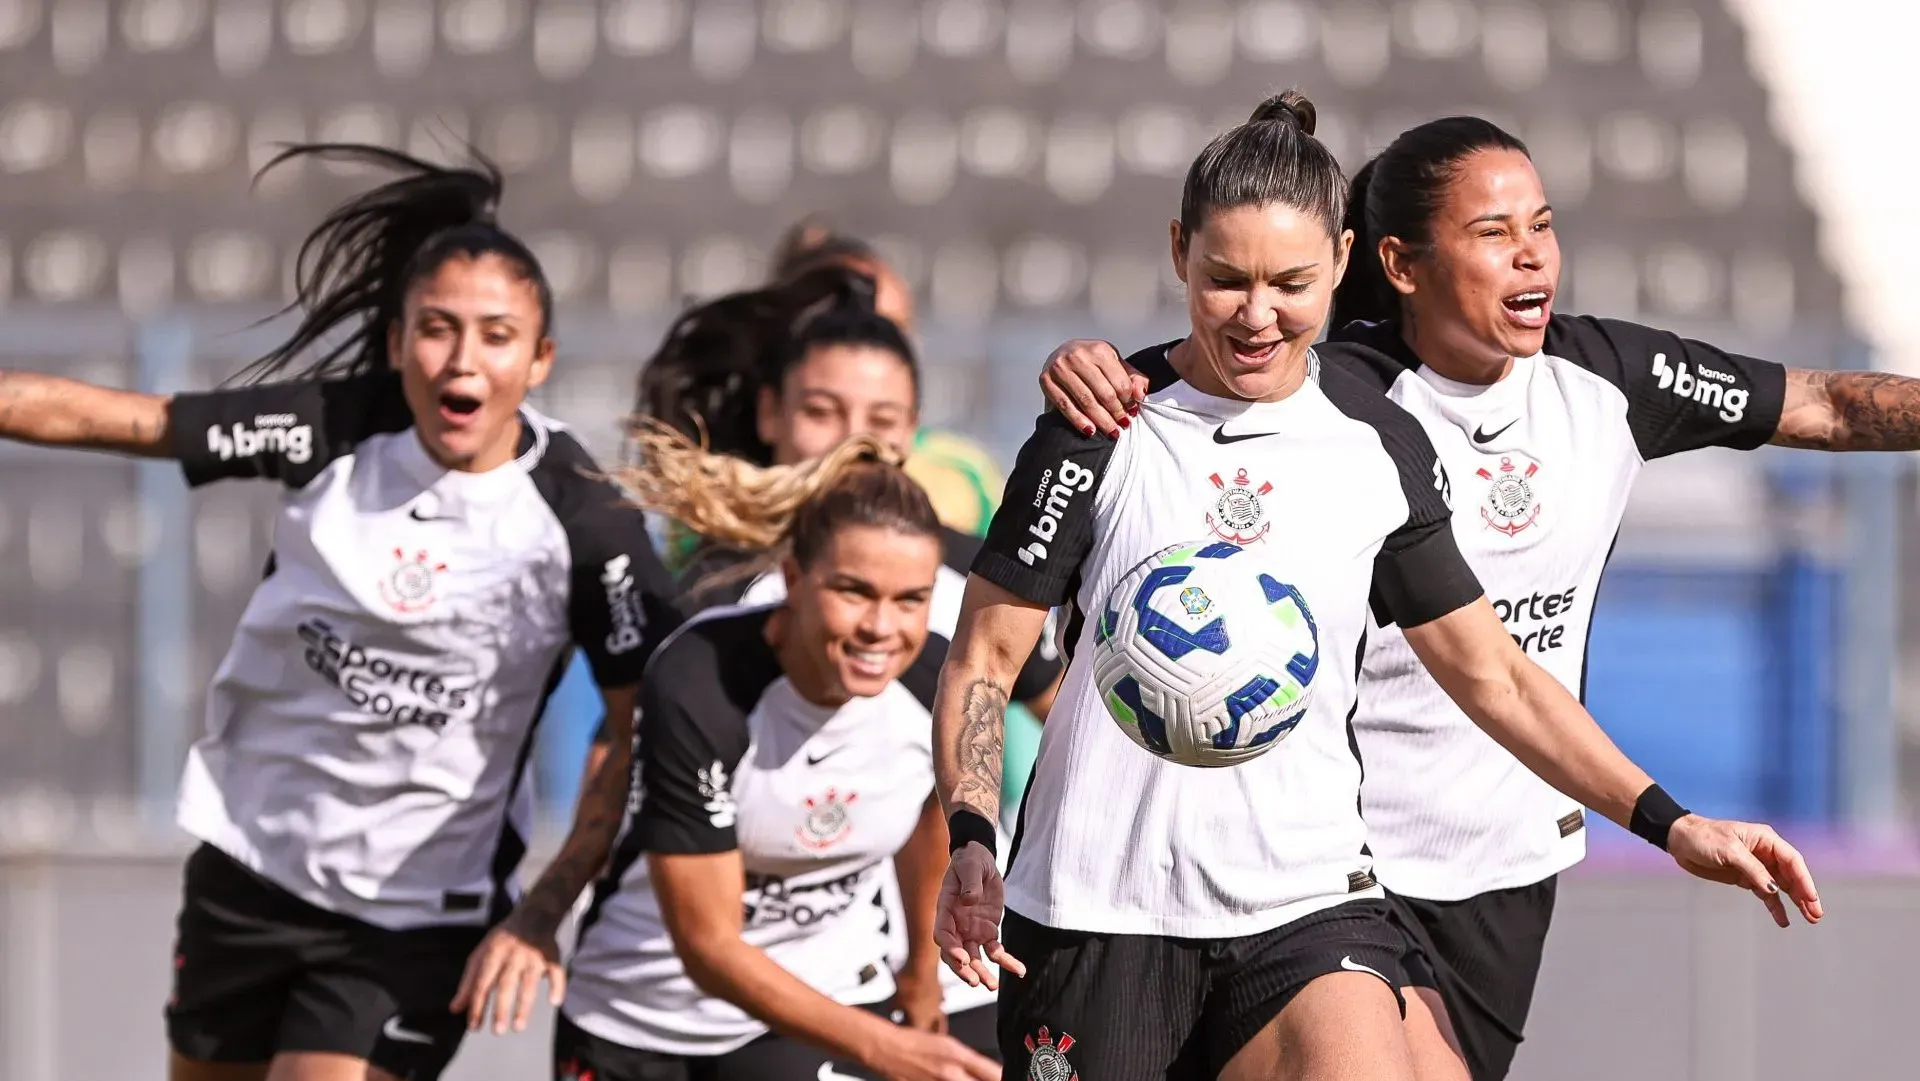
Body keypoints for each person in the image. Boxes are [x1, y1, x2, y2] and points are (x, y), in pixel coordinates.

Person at [932, 93, 1822, 1081]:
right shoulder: (1100, 427)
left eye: (1291, 283)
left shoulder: (1378, 441)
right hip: (1099, 913)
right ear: (1179, 249)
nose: (1257, 313)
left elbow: (1498, 676)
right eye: (1226, 279)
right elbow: (984, 654)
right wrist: (971, 831)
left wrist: (1672, 820)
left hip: (1309, 901)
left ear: (1345, 261)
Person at [0, 143, 681, 1081]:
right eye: (437, 328)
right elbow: (123, 419)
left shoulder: (585, 519)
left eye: (495, 334)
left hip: (415, 913)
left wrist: (540, 909)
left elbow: (635, 713)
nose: (464, 358)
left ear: (539, 359)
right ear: (399, 340)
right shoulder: (337, 426)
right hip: (254, 861)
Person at [619, 279, 1056, 1056]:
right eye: (825, 413)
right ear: (770, 415)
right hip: (738, 988)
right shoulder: (716, 599)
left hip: (948, 966)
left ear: (914, 430)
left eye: (881, 420)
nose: (855, 443)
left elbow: (1050, 724)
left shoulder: (973, 578)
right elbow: (625, 756)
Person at [557, 433, 999, 1081]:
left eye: (911, 599)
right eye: (854, 591)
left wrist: (920, 978)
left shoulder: (936, 682)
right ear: (793, 577)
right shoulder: (698, 681)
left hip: (828, 1002)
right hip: (644, 1017)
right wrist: (887, 1047)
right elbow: (708, 945)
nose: (882, 628)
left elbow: (930, 813)